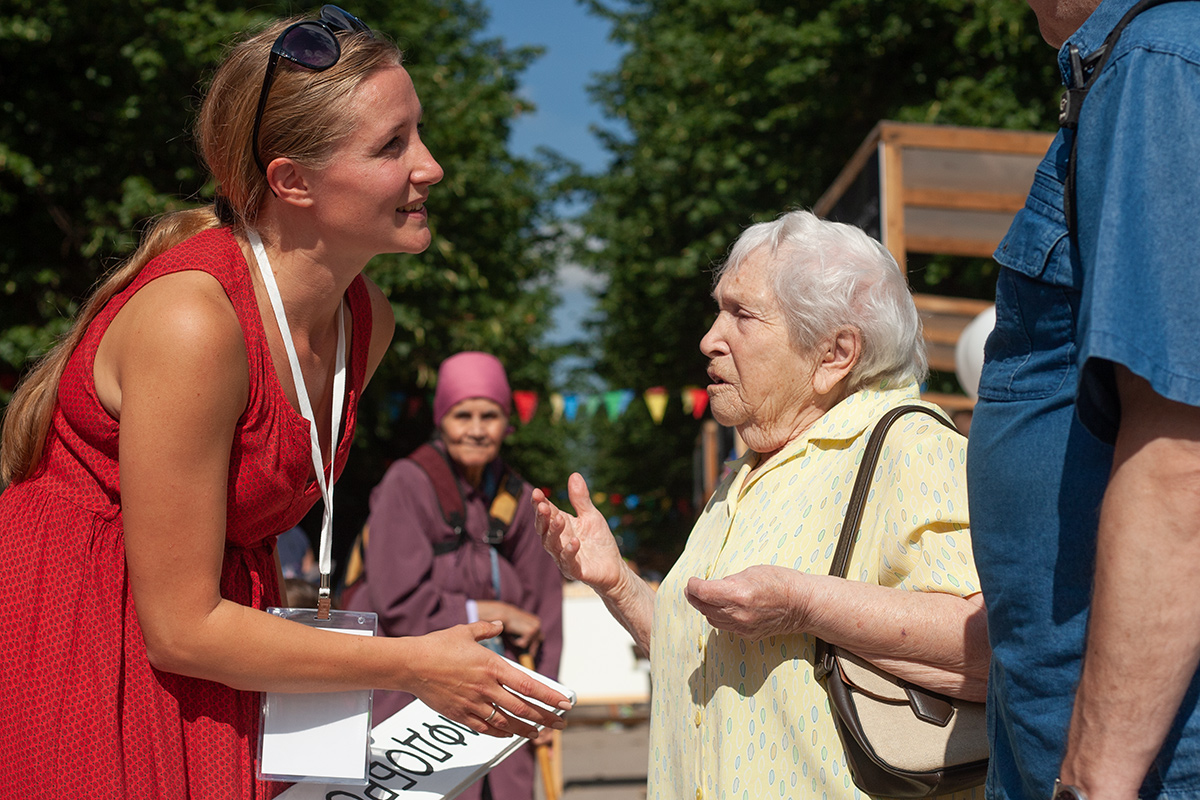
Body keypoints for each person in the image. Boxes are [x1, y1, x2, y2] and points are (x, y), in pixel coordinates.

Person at [0, 8, 567, 797]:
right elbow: (180, 627)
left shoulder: (369, 321)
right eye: (391, 145)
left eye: (419, 132)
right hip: (86, 647)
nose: (430, 166)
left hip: (215, 653)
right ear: (291, 182)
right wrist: (411, 662)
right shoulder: (193, 323)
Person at [534, 210, 990, 800]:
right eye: (719, 308)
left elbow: (987, 650)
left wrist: (803, 603)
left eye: (742, 315)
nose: (709, 339)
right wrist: (617, 583)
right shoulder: (751, 465)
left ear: (835, 354)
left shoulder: (913, 445)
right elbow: (709, 658)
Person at [968, 1, 1200, 798]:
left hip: (1144, 758)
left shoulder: (1158, 63)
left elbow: (1183, 456)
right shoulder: (1138, 65)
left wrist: (1096, 773)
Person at [344, 351, 564, 800]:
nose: (477, 429)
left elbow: (545, 609)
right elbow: (398, 603)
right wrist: (491, 612)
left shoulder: (518, 498)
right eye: (463, 414)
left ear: (508, 421)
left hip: (503, 705)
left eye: (491, 415)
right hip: (412, 703)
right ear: (442, 419)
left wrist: (543, 701)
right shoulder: (407, 483)